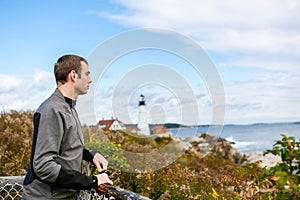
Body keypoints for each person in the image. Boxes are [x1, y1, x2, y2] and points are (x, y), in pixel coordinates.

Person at [22, 54, 113, 199]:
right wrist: (93, 181)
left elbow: (66, 146)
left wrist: (91, 155)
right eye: (87, 74)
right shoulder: (52, 109)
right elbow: (43, 166)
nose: (90, 80)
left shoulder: (68, 107)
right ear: (73, 75)